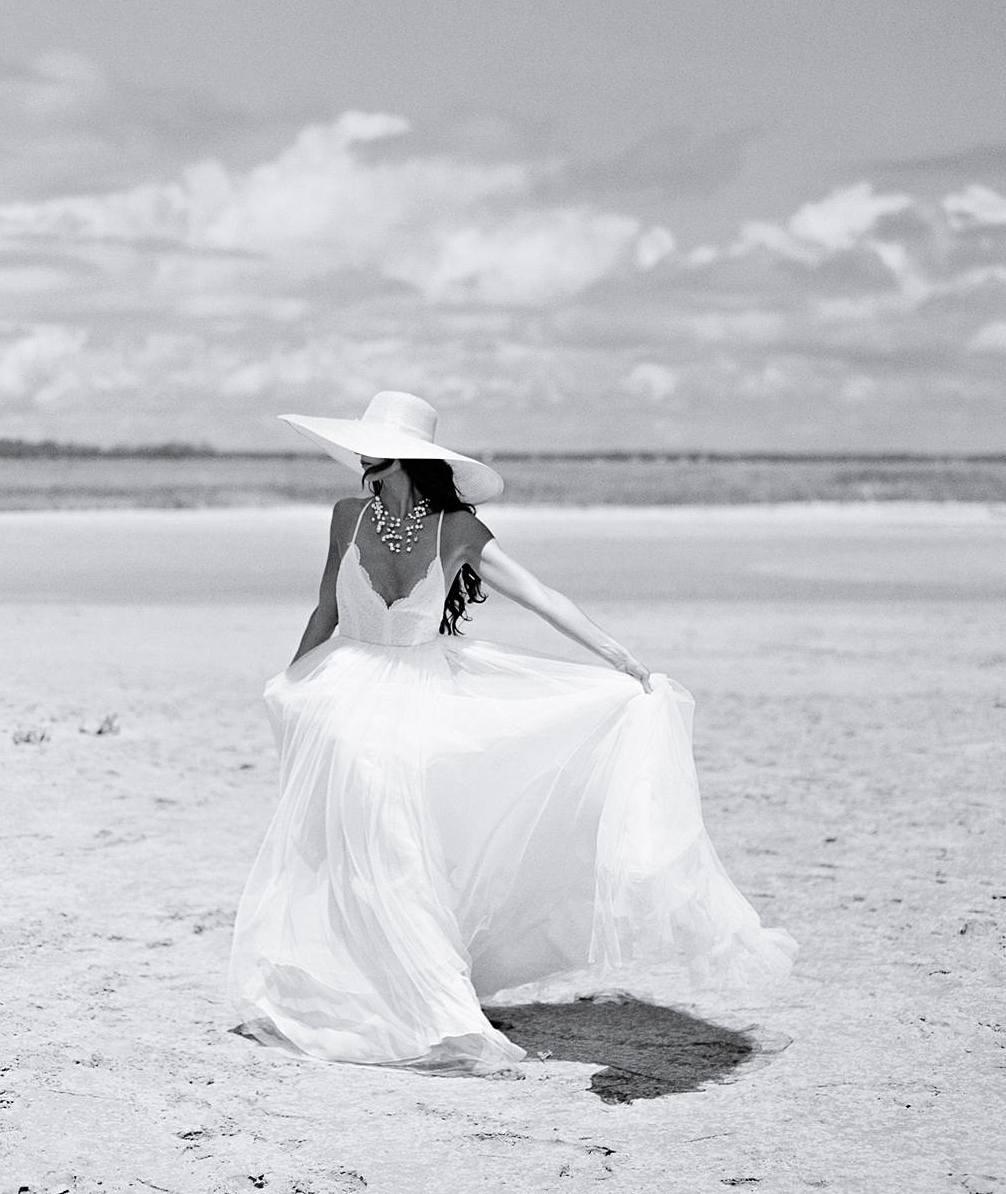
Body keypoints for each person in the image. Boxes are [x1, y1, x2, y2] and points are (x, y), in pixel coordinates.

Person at [228, 391, 797, 1077]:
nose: (363, 463)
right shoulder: (348, 515)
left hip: (416, 698)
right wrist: (291, 682)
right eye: (363, 452)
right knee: (351, 848)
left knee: (398, 849)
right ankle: (378, 985)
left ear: (406, 458)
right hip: (344, 692)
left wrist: (618, 657)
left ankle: (436, 1006)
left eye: (374, 453)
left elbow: (542, 595)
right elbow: (326, 606)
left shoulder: (458, 529)